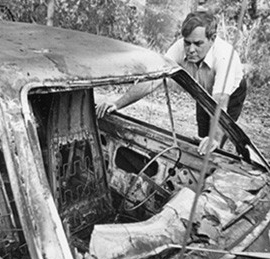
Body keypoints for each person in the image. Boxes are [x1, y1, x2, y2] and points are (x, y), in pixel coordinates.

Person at [96, 11, 247, 155]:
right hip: (203, 92)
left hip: (230, 94)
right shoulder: (179, 47)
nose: (191, 49)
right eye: (187, 43)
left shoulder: (224, 57)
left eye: (198, 44)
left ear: (212, 38)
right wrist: (117, 104)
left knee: (213, 143)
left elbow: (220, 100)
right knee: (202, 137)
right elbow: (153, 80)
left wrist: (214, 138)